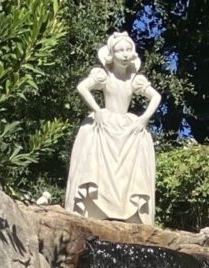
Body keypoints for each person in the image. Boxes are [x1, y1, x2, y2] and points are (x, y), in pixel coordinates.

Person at [64, 32, 160, 224]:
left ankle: (128, 210)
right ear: (111, 54)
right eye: (120, 50)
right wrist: (97, 110)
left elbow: (156, 97)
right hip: (106, 123)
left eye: (128, 50)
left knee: (139, 147)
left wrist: (144, 118)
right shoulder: (104, 76)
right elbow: (82, 87)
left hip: (127, 125)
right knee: (94, 158)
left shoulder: (134, 79)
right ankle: (95, 208)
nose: (125, 54)